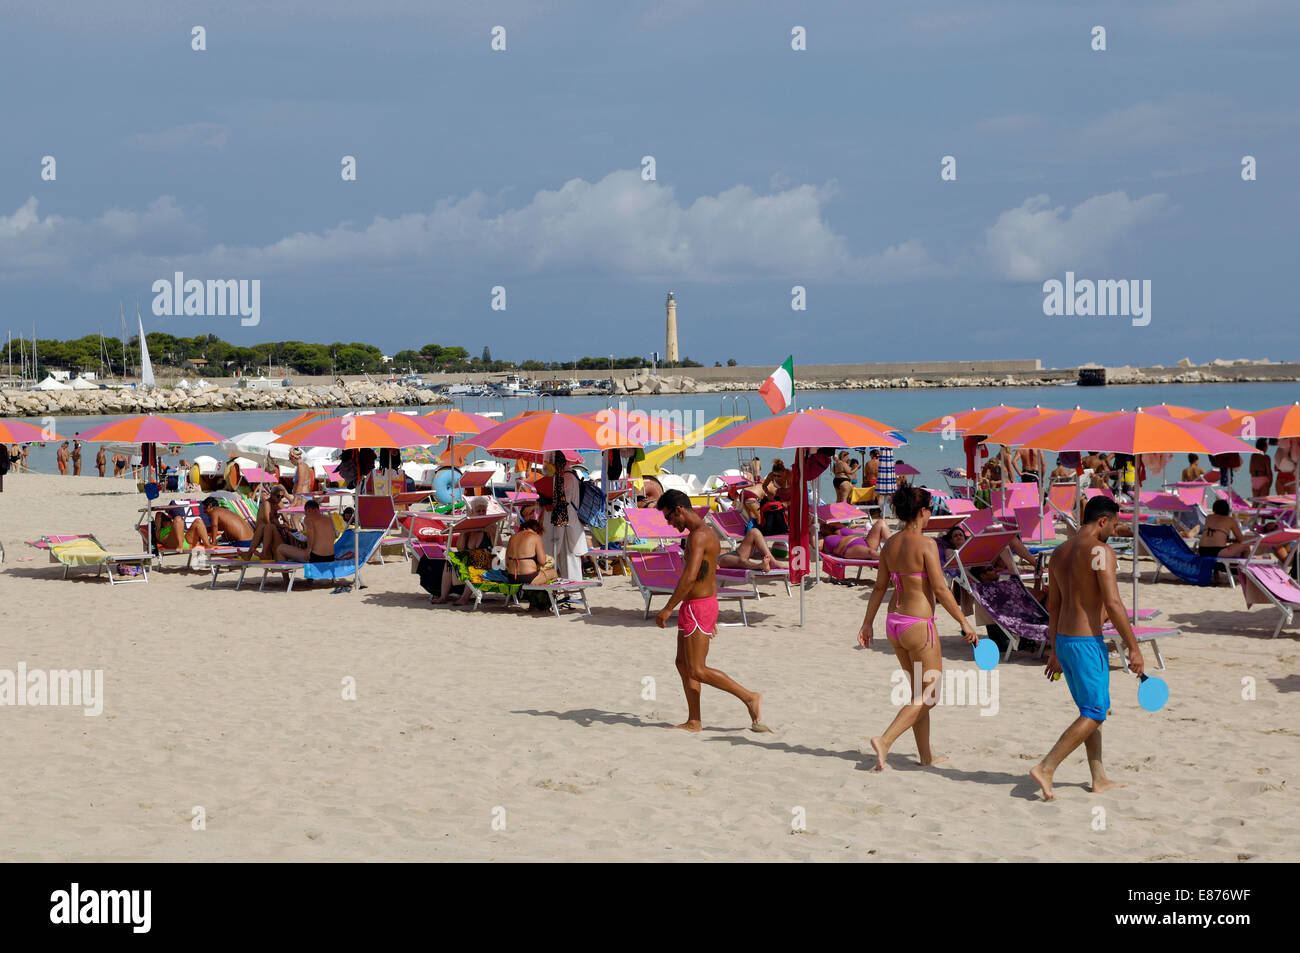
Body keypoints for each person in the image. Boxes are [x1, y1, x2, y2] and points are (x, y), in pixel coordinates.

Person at [1031, 496, 1144, 801]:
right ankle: (1046, 767)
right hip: (1084, 642)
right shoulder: (1100, 550)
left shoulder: (1059, 552)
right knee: (1095, 712)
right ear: (1103, 521)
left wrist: (1054, 649)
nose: (1115, 531)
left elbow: (1053, 606)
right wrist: (1134, 648)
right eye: (1115, 524)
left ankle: (1099, 778)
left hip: (1066, 641)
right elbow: (1113, 602)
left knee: (1090, 709)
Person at [858, 486, 977, 770]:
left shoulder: (890, 545)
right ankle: (885, 740)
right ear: (923, 512)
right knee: (931, 695)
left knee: (919, 694)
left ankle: (926, 756)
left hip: (893, 623)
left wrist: (867, 622)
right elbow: (939, 588)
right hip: (919, 625)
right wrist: (963, 621)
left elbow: (879, 586)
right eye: (929, 511)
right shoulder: (926, 545)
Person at [653, 489, 768, 733]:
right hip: (698, 606)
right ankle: (694, 720)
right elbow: (708, 574)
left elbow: (691, 575)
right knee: (682, 663)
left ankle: (749, 697)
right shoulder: (700, 534)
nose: (669, 523)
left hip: (698, 606)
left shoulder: (699, 536)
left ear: (679, 510)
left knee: (697, 669)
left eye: (669, 517)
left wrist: (667, 608)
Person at [433, 497, 495, 605]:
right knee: (449, 561)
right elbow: (460, 548)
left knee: (476, 560)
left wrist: (491, 533)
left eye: (483, 511)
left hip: (487, 561)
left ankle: (464, 598)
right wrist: (465, 532)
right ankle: (443, 596)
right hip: (470, 559)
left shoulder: (491, 526)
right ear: (472, 513)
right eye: (478, 511)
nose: (481, 513)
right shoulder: (468, 528)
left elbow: (499, 549)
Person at [547, 452, 587, 581]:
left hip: (567, 521)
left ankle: (573, 590)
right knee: (566, 556)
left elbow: (564, 500)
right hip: (567, 521)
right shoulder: (569, 475)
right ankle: (569, 588)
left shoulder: (566, 477)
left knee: (570, 556)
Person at [505, 518, 558, 610]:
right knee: (553, 573)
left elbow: (507, 563)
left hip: (512, 577)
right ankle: (544, 604)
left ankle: (534, 602)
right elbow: (542, 561)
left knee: (537, 576)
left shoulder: (512, 537)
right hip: (528, 577)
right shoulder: (535, 537)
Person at [274, 499, 336, 564]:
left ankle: (285, 573)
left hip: (317, 557)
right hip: (330, 557)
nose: (305, 514)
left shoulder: (309, 518)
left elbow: (311, 536)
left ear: (308, 510)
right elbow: (331, 537)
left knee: (281, 548)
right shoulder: (328, 519)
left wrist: (308, 550)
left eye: (305, 512)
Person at [243, 484, 291, 561]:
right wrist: (279, 525)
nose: (280, 498)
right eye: (278, 496)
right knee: (266, 526)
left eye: (282, 497)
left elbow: (287, 521)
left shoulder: (279, 503)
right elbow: (267, 520)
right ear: (271, 495)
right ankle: (261, 553)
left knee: (267, 526)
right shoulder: (267, 504)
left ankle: (255, 554)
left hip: (271, 530)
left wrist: (283, 525)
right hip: (264, 531)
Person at [719, 527, 788, 572]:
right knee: (740, 560)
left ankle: (772, 561)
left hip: (732, 553)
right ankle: (760, 566)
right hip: (718, 560)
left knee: (754, 532)